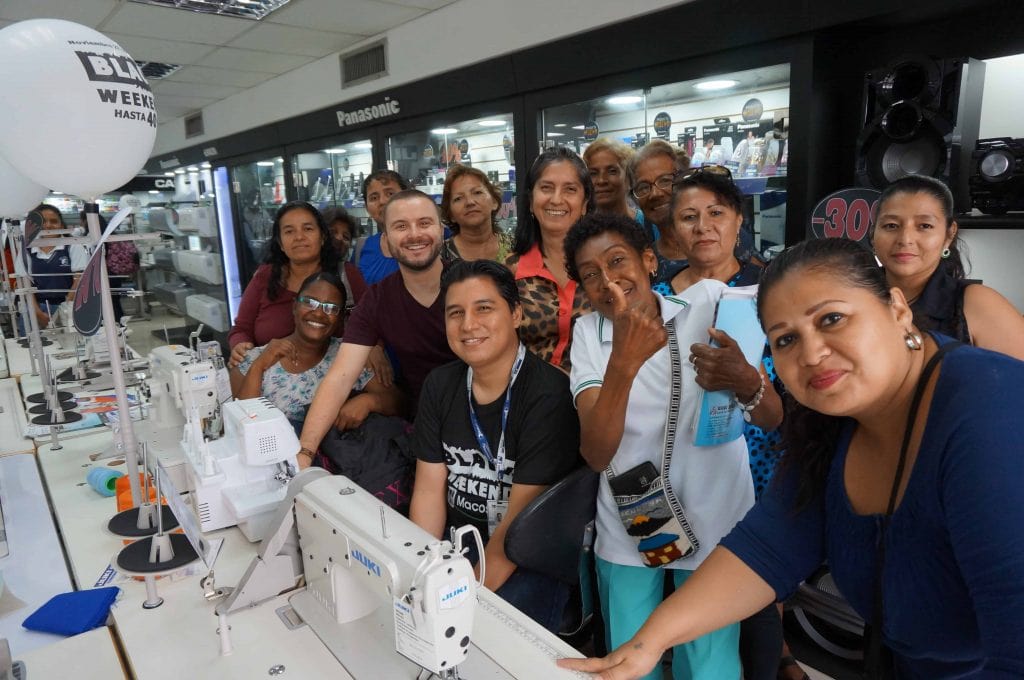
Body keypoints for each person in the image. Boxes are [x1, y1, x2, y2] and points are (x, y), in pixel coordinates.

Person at [559, 237, 1024, 680]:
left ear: (898, 309)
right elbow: (768, 549)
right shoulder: (829, 423)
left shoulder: (988, 409)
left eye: (832, 319)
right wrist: (645, 647)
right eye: (784, 340)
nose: (813, 354)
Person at [564, 212, 780, 680]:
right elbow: (597, 453)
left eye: (618, 260)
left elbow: (771, 416)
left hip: (716, 510)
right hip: (633, 518)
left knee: (709, 662)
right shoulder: (588, 336)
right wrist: (624, 356)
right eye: (590, 274)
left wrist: (746, 380)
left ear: (647, 261)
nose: (608, 280)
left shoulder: (710, 307)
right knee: (628, 655)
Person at [655, 168, 792, 680]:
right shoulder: (655, 298)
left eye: (716, 213)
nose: (703, 226)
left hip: (754, 468)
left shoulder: (769, 291)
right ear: (673, 229)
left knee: (751, 598)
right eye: (689, 217)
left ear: (738, 220)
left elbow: (779, 411)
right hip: (673, 471)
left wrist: (746, 381)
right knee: (680, 598)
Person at [409, 259, 580, 632]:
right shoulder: (439, 386)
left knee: (485, 642)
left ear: (516, 314)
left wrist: (457, 601)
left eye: (484, 308)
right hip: (460, 546)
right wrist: (420, 571)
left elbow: (519, 529)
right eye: (456, 313)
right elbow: (428, 491)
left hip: (528, 556)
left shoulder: (548, 395)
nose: (468, 325)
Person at [297, 189, 457, 469]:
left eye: (424, 223)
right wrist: (305, 452)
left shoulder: (473, 283)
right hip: (426, 430)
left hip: (491, 423)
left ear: (441, 231)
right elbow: (340, 378)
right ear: (385, 242)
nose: (414, 234)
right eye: (400, 226)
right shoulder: (378, 299)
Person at [870, 174, 1024, 360]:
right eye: (891, 225)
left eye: (925, 226)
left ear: (948, 235)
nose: (905, 239)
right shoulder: (853, 295)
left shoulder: (976, 303)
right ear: (873, 234)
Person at [229, 271, 400, 435]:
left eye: (331, 308)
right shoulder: (251, 359)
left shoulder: (351, 355)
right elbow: (242, 428)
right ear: (294, 306)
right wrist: (260, 365)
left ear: (340, 318)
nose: (318, 313)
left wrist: (369, 402)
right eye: (309, 302)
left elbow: (398, 403)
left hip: (338, 462)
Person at [506, 147, 594, 372]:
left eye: (570, 189)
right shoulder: (508, 272)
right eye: (546, 188)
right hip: (530, 399)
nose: (556, 199)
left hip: (597, 397)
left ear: (584, 204)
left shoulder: (604, 266)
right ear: (530, 200)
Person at [228, 201, 340, 367]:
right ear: (280, 243)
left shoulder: (346, 275)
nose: (299, 237)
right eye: (289, 231)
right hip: (270, 381)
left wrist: (374, 349)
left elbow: (372, 326)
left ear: (322, 237)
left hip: (338, 380)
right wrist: (240, 345)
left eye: (308, 229)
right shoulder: (265, 276)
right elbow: (241, 329)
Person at [21, 204, 88, 330]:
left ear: (61, 225)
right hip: (36, 307)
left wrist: (65, 308)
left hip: (69, 306)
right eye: (43, 222)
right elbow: (25, 285)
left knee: (70, 345)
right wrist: (37, 313)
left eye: (53, 221)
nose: (48, 225)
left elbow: (79, 280)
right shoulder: (28, 250)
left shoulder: (72, 245)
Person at [628, 140, 689, 275]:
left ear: (685, 181)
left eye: (665, 180)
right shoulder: (644, 265)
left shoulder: (726, 242)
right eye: (643, 187)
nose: (655, 194)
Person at [439, 165, 513, 264]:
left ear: (494, 202)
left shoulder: (517, 247)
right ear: (451, 214)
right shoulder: (440, 256)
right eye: (458, 198)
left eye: (477, 193)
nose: (470, 202)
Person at [353, 170, 410, 285]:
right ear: (367, 207)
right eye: (374, 198)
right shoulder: (363, 248)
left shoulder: (432, 237)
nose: (382, 201)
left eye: (390, 194)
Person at [320, 206, 368, 314]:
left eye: (346, 237)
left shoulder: (350, 273)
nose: (339, 238)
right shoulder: (300, 267)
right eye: (333, 232)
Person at [583, 138, 642, 224]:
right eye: (593, 173)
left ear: (629, 177)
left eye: (612, 171)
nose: (601, 180)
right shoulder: (581, 231)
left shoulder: (653, 226)